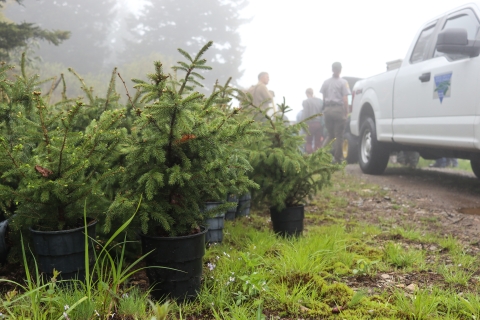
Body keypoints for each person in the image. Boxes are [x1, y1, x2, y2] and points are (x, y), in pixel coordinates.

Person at [320, 62, 351, 163]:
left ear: (332, 69)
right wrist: (346, 111)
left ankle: (320, 156)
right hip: (338, 110)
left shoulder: (326, 82)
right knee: (339, 135)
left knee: (330, 135)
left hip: (328, 110)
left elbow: (323, 98)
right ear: (340, 69)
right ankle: (337, 159)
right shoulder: (343, 82)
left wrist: (325, 109)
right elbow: (345, 99)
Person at [301, 88, 324, 153]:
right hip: (318, 124)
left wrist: (302, 124)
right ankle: (317, 157)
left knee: (308, 142)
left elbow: (305, 114)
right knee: (318, 142)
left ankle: (309, 156)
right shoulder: (319, 101)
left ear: (307, 94)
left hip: (310, 124)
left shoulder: (306, 102)